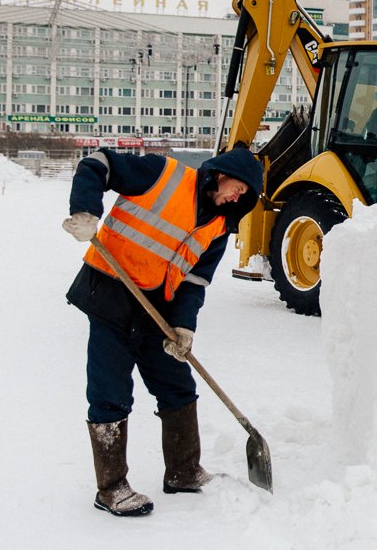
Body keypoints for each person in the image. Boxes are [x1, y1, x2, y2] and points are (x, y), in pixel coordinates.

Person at [62, 147, 263, 517]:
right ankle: (111, 487)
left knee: (177, 386)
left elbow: (194, 282)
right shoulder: (162, 174)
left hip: (156, 308)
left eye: (245, 197)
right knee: (111, 390)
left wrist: (183, 327)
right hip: (109, 291)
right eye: (239, 187)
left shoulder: (218, 226)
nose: (238, 197)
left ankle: (184, 471)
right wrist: (86, 210)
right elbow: (98, 164)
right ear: (220, 173)